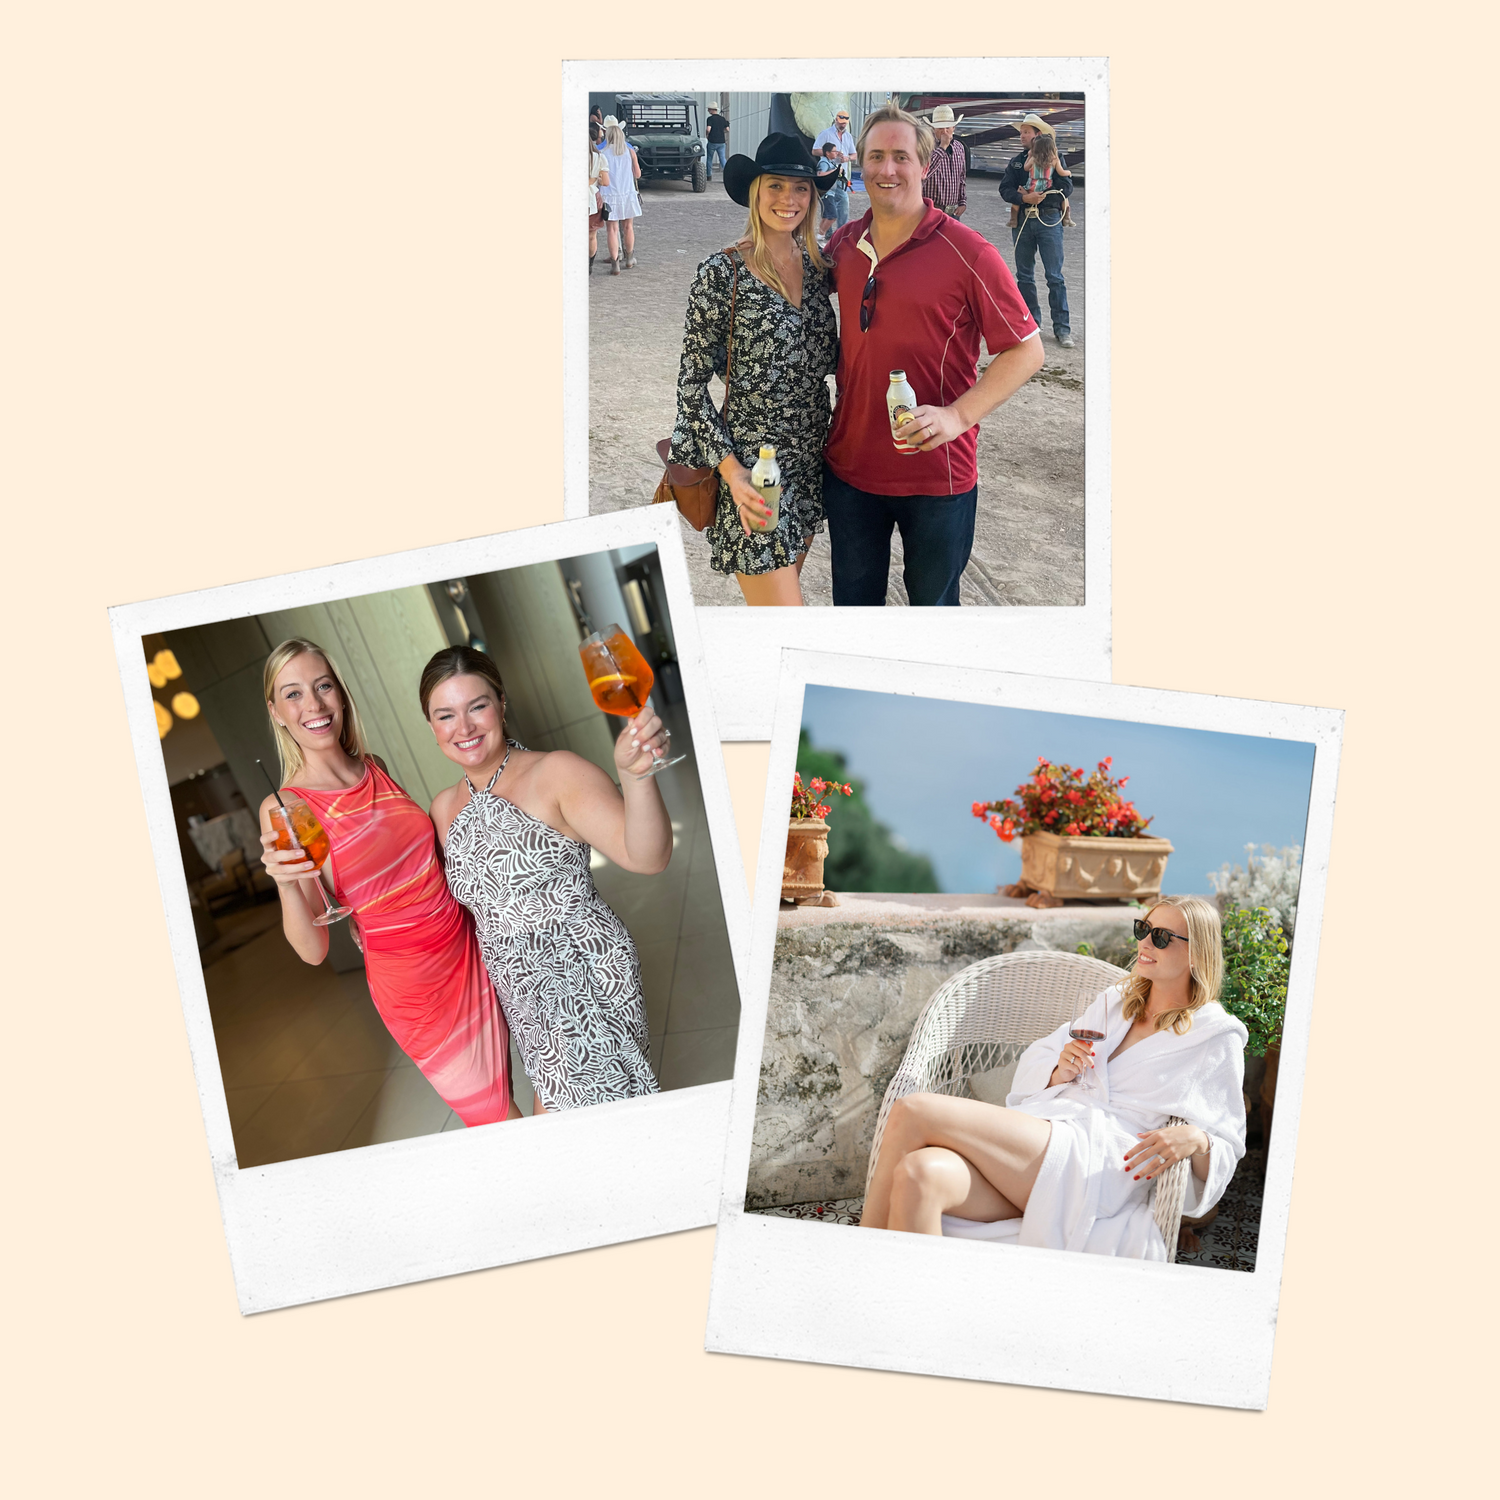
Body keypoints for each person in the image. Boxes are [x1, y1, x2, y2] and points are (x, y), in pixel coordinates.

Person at [861, 897, 1248, 1260]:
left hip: (1102, 1163)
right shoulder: (1116, 1001)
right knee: (919, 1174)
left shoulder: (1215, 1035)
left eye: (1161, 938)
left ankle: (856, 1263)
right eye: (1142, 929)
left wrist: (1200, 1139)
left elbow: (1228, 1138)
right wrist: (1057, 1071)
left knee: (914, 1110)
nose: (1145, 943)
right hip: (1052, 1128)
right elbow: (1044, 1054)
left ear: (1196, 955)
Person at [257, 639, 519, 1126]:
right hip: (416, 988)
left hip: (471, 947)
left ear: (340, 694)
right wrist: (286, 885)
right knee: (495, 1118)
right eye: (293, 694)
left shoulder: (373, 766)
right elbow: (313, 949)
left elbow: (419, 858)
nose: (313, 705)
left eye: (323, 686)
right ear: (275, 712)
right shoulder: (286, 807)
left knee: (531, 1084)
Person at [422, 647, 670, 1112]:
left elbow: (647, 856)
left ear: (501, 703)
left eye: (477, 706)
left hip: (584, 976)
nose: (465, 727)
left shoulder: (556, 772)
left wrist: (636, 778)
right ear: (432, 728)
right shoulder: (442, 808)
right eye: (445, 715)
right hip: (522, 997)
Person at [820, 102, 1044, 607]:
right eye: (875, 156)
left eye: (900, 156)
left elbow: (1026, 351)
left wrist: (956, 416)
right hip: (851, 470)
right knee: (854, 616)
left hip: (937, 475)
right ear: (860, 165)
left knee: (934, 617)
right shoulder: (845, 243)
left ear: (925, 165)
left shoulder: (970, 251)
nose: (887, 169)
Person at [668, 133, 838, 607]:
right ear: (755, 192)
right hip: (755, 474)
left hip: (807, 468)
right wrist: (732, 472)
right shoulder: (721, 273)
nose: (789, 199)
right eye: (776, 186)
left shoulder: (819, 268)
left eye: (801, 188)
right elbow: (690, 385)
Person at [1000, 114, 1075, 347]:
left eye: (1026, 132)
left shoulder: (1055, 156)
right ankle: (1031, 324)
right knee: (1024, 276)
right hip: (1023, 219)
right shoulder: (1016, 162)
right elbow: (1005, 189)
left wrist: (1042, 195)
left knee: (1054, 276)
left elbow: (1067, 186)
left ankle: (1062, 329)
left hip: (1048, 219)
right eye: (1021, 132)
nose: (1021, 136)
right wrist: (1024, 198)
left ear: (1037, 135)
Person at [597, 115, 643, 274]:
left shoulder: (601, 153)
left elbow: (601, 179)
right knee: (628, 227)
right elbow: (637, 175)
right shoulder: (630, 151)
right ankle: (629, 258)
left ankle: (615, 263)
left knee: (612, 230)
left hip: (609, 195)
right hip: (627, 193)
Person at [922, 103, 967, 218]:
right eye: (940, 128)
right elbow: (925, 172)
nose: (944, 131)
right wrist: (942, 147)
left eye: (948, 127)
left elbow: (961, 176)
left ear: (954, 128)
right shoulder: (926, 146)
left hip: (952, 211)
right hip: (931, 210)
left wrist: (962, 201)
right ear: (934, 129)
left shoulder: (959, 147)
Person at [815, 142, 850, 244]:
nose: (836, 153)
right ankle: (820, 236)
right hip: (826, 193)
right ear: (827, 153)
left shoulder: (831, 162)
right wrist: (835, 171)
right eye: (834, 151)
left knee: (827, 216)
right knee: (832, 216)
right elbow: (820, 174)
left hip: (831, 193)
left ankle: (820, 236)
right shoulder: (824, 163)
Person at [588, 123, 610, 275]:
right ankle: (588, 265)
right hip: (592, 196)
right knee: (591, 235)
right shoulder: (600, 158)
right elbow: (606, 182)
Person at [812, 106, 855, 172]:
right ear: (836, 120)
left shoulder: (848, 136)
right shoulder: (825, 133)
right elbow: (814, 151)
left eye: (844, 123)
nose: (843, 125)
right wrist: (833, 153)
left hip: (843, 174)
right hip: (828, 172)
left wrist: (848, 158)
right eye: (841, 123)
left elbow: (854, 155)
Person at [705, 101, 729, 181]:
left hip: (712, 141)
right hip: (721, 142)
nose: (708, 110)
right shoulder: (722, 119)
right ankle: (727, 176)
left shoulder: (710, 119)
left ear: (712, 110)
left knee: (709, 158)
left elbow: (708, 129)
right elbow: (727, 130)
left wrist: (707, 135)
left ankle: (709, 176)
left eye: (709, 109)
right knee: (722, 159)